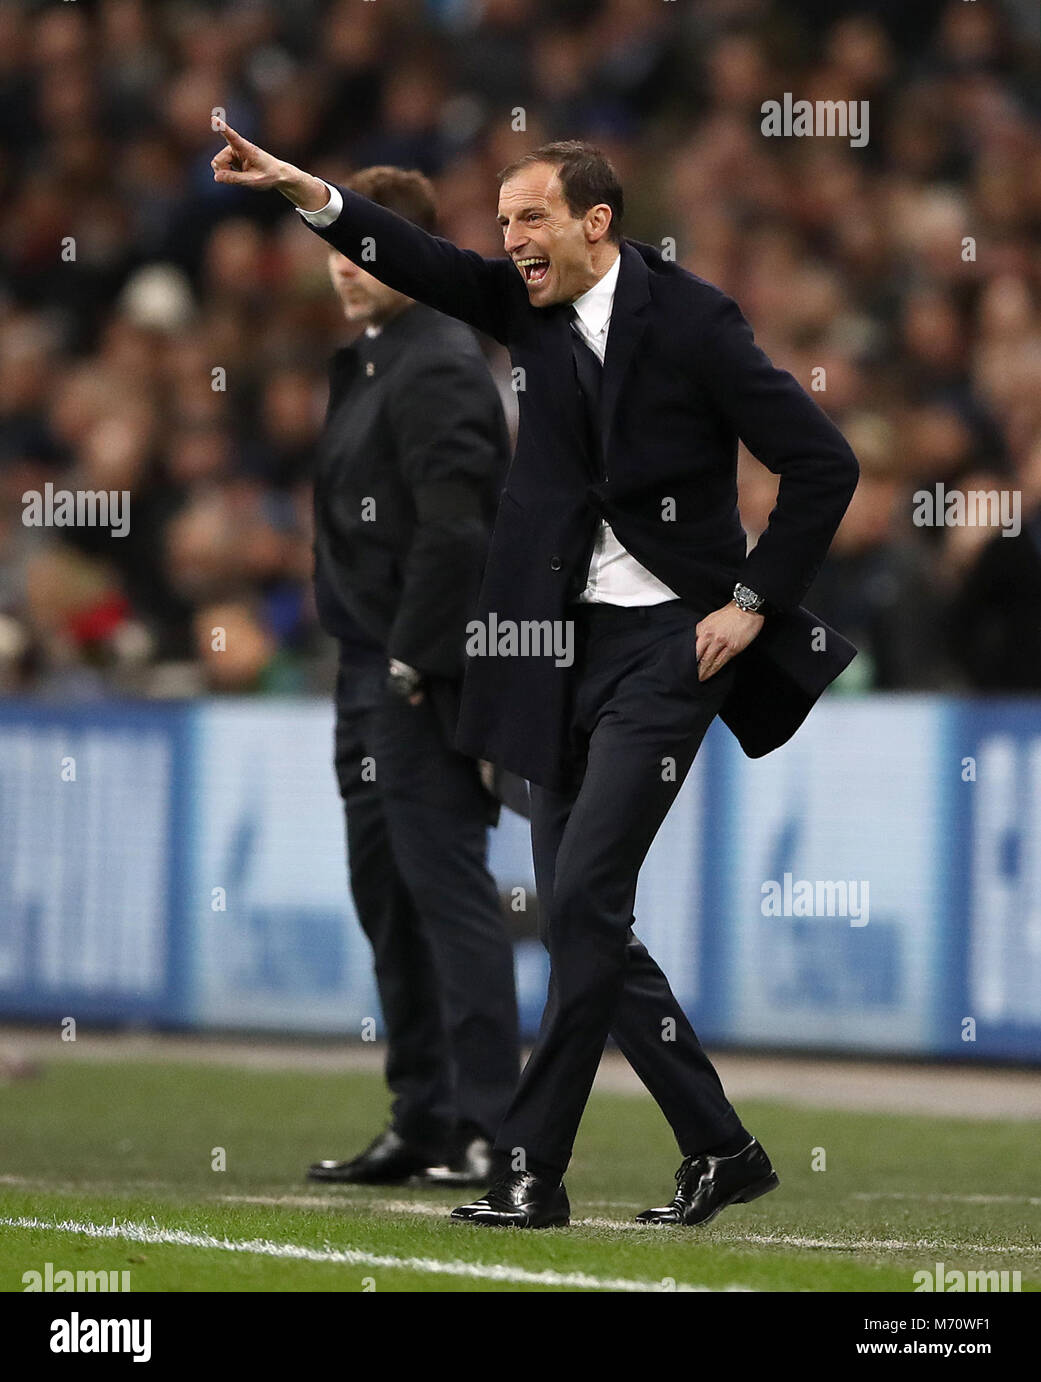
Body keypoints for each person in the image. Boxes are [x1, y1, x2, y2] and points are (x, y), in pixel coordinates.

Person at [211, 122, 859, 1228]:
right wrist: (304, 190)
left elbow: (822, 462)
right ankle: (721, 1145)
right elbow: (422, 262)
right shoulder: (526, 306)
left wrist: (751, 605)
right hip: (558, 654)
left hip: (672, 646)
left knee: (586, 897)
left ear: (595, 222)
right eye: (503, 222)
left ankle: (528, 1170)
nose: (508, 241)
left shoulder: (695, 321)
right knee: (579, 919)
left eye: (530, 220)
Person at [304, 165, 519, 1189]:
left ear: (407, 252)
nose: (342, 267)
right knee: (388, 897)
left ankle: (489, 1123)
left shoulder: (433, 363)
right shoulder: (375, 361)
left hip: (416, 672)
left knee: (446, 894)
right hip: (367, 664)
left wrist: (415, 658)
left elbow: (458, 530)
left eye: (362, 246)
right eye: (333, 247)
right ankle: (424, 1113)